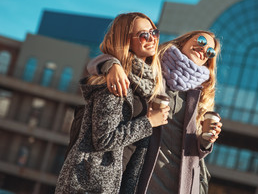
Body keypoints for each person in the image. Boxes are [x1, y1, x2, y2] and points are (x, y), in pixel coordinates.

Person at [88, 30, 222, 194]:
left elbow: (192, 152)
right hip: (143, 179)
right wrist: (112, 66)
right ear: (183, 41)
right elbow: (98, 61)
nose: (203, 50)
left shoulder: (201, 96)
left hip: (182, 186)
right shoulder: (153, 69)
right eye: (201, 41)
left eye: (210, 52)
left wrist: (205, 142)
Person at [55, 12, 170, 194]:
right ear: (126, 40)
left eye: (154, 32)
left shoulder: (147, 85)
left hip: (117, 183)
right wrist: (149, 122)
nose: (152, 39)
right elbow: (103, 139)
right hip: (91, 185)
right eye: (143, 35)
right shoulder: (116, 84)